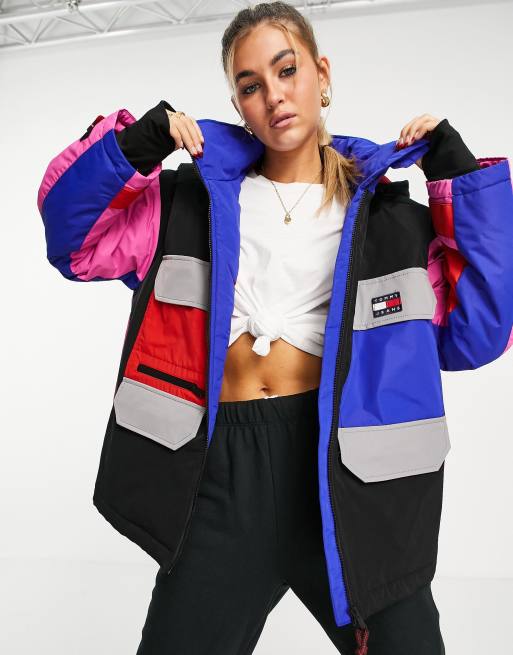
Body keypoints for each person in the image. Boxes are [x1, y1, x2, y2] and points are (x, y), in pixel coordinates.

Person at [36, 2, 513, 654]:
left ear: (322, 74)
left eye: (286, 71)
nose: (273, 95)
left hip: (347, 479)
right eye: (250, 85)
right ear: (238, 104)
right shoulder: (188, 202)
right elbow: (74, 242)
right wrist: (136, 146)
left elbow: (479, 330)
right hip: (219, 477)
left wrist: (456, 177)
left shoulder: (390, 219)